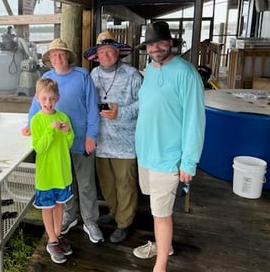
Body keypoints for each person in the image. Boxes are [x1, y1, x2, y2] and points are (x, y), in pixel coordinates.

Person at [132, 21, 205, 272]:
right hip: (146, 153)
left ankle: (161, 263)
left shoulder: (187, 74)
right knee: (156, 209)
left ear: (171, 43)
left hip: (169, 156)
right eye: (151, 44)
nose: (155, 48)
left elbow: (195, 120)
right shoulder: (149, 70)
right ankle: (165, 245)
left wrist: (188, 161)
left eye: (160, 42)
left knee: (162, 213)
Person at [22, 38, 104, 244]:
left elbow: (93, 108)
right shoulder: (47, 78)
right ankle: (70, 215)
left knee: (85, 183)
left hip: (79, 140)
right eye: (53, 54)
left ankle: (90, 221)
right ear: (49, 58)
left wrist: (90, 136)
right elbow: (35, 106)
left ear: (68, 56)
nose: (57, 57)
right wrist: (30, 125)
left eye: (61, 53)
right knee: (64, 182)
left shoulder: (82, 75)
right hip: (55, 146)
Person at [83, 30, 142, 244]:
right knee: (107, 184)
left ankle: (124, 223)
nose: (106, 55)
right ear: (96, 55)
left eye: (110, 50)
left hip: (126, 142)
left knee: (125, 183)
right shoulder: (93, 75)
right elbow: (87, 104)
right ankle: (116, 213)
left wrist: (121, 111)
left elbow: (144, 103)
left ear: (118, 52)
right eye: (102, 51)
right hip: (101, 141)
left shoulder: (133, 74)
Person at [30, 77, 75, 264]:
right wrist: (50, 131)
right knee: (47, 208)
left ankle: (57, 235)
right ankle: (52, 240)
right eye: (44, 98)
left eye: (51, 98)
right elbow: (39, 148)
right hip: (46, 175)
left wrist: (67, 132)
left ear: (57, 97)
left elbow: (70, 142)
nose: (48, 103)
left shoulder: (63, 117)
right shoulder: (36, 120)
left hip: (62, 172)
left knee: (60, 205)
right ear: (37, 98)